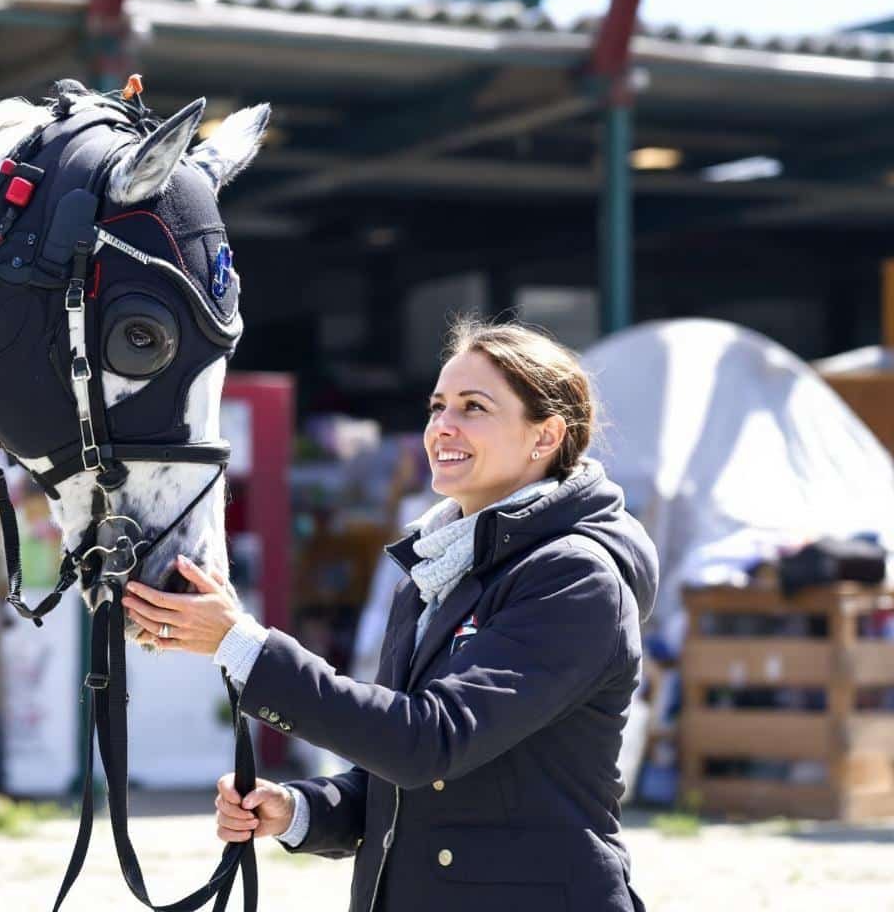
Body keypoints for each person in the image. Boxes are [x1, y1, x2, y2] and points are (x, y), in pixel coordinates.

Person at [124, 317, 657, 912]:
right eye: (437, 407)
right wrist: (300, 810)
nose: (442, 427)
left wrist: (241, 644)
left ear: (546, 436)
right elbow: (411, 781)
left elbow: (428, 742)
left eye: (473, 407)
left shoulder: (575, 578)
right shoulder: (437, 565)